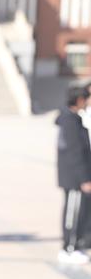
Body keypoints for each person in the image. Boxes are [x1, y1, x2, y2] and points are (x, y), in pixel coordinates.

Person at [56, 85, 91, 264]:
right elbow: (75, 153)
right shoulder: (69, 121)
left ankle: (76, 245)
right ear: (79, 100)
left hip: (77, 175)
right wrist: (84, 178)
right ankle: (68, 248)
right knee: (72, 212)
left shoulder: (74, 119)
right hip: (74, 177)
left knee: (80, 212)